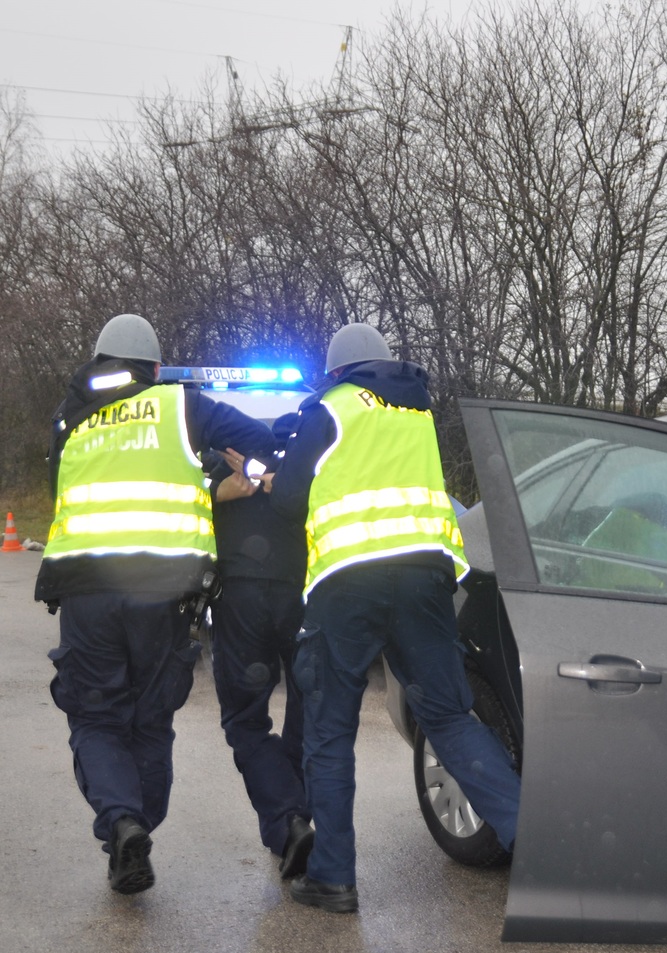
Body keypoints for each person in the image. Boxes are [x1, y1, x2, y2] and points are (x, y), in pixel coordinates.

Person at [264, 322, 521, 914]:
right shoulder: (417, 412)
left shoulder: (328, 409)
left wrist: (277, 474)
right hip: (425, 583)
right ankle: (528, 841)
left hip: (349, 585)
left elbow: (288, 503)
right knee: (451, 719)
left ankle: (333, 877)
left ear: (335, 372)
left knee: (329, 733)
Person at [35, 313, 275, 894]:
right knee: (149, 717)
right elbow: (262, 442)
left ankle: (122, 823)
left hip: (87, 590)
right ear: (156, 368)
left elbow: (62, 495)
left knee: (95, 717)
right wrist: (236, 477)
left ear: (98, 360)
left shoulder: (69, 418)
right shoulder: (182, 407)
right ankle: (138, 821)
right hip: (164, 595)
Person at [204, 412, 313, 881]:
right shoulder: (312, 465)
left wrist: (214, 491)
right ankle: (295, 811)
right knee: (309, 705)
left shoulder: (217, 466)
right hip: (304, 595)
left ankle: (286, 818)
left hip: (243, 598)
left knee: (246, 720)